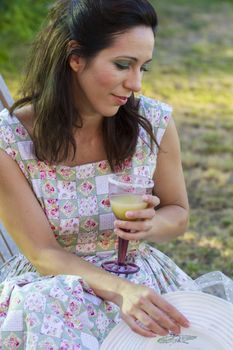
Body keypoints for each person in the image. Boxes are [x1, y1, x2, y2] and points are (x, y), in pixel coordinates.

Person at [0, 0, 232, 349]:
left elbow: (178, 214)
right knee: (49, 308)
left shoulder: (152, 123)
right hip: (54, 286)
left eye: (143, 68)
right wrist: (122, 291)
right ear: (75, 57)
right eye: (123, 65)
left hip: (138, 273)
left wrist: (150, 224)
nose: (136, 84)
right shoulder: (11, 142)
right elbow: (43, 253)